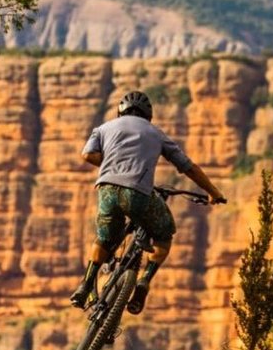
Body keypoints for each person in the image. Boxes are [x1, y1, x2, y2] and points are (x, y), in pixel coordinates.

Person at [70, 90, 226, 313]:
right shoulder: (156, 134)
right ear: (148, 116)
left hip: (106, 189)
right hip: (137, 192)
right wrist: (213, 192)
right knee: (164, 233)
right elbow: (188, 167)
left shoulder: (103, 128)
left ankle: (85, 286)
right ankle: (143, 284)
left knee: (104, 239)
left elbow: (87, 155)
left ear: (120, 112)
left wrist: (112, 167)